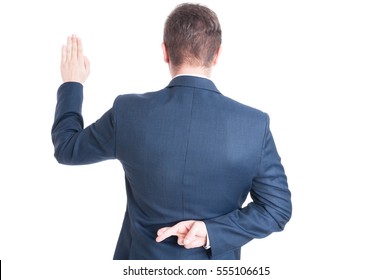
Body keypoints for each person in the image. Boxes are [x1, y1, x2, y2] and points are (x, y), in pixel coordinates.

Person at [52, 3, 292, 260]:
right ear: (217, 54)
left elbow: (67, 148)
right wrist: (212, 231)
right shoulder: (254, 125)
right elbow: (276, 209)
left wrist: (72, 84)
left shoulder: (129, 111)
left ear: (165, 52)